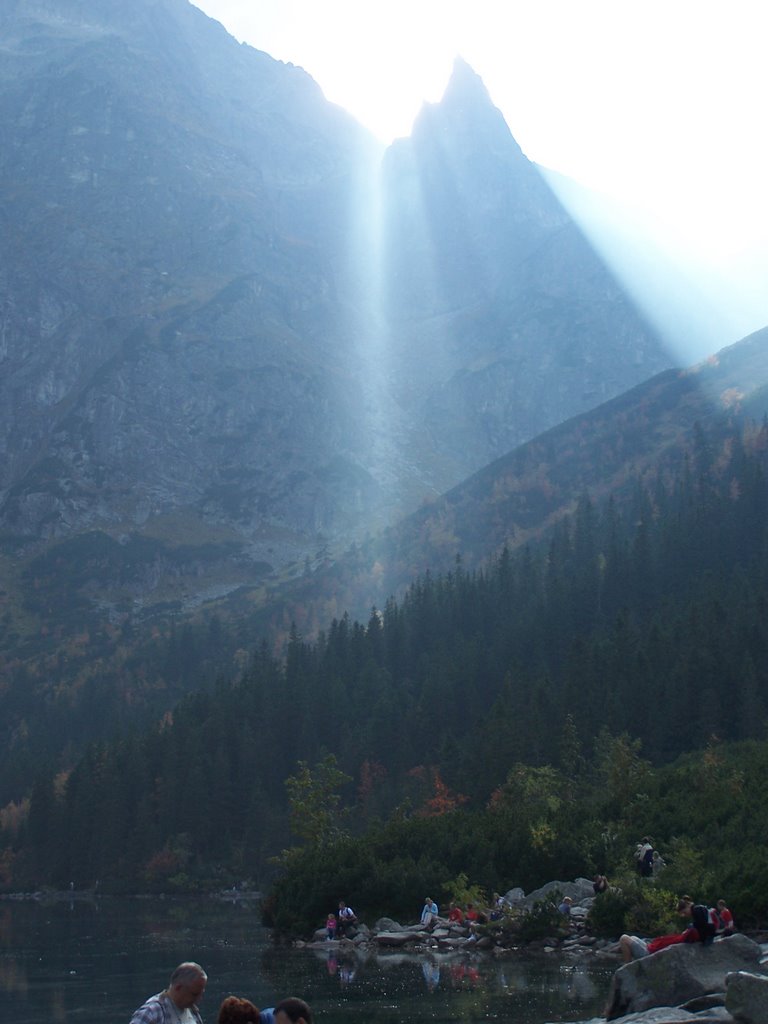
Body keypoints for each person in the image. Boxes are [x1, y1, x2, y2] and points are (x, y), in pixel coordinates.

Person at [618, 898, 714, 962]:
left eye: (684, 912)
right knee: (633, 937)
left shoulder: (693, 932)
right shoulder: (692, 930)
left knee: (623, 938)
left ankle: (628, 967)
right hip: (650, 947)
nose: (685, 915)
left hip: (650, 954)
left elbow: (702, 928)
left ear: (688, 906)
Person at [130, 962, 207, 1024]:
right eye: (194, 994)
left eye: (201, 994)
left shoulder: (193, 1012)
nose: (198, 999)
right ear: (178, 988)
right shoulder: (152, 1012)